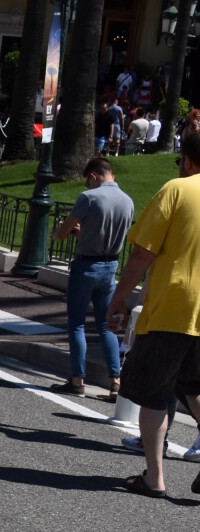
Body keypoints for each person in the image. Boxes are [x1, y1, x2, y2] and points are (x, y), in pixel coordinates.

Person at [107, 134, 200, 497]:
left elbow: (143, 254)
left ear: (188, 161)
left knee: (155, 394)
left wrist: (119, 299)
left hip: (172, 309)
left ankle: (154, 477)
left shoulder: (176, 190)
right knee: (194, 387)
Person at [48, 158, 134, 397]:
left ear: (94, 176)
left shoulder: (89, 197)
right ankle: (116, 380)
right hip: (111, 265)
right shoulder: (128, 201)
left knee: (76, 324)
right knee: (106, 326)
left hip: (86, 265)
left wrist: (59, 235)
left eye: (89, 179)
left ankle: (77, 380)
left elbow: (63, 232)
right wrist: (84, 234)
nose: (89, 183)